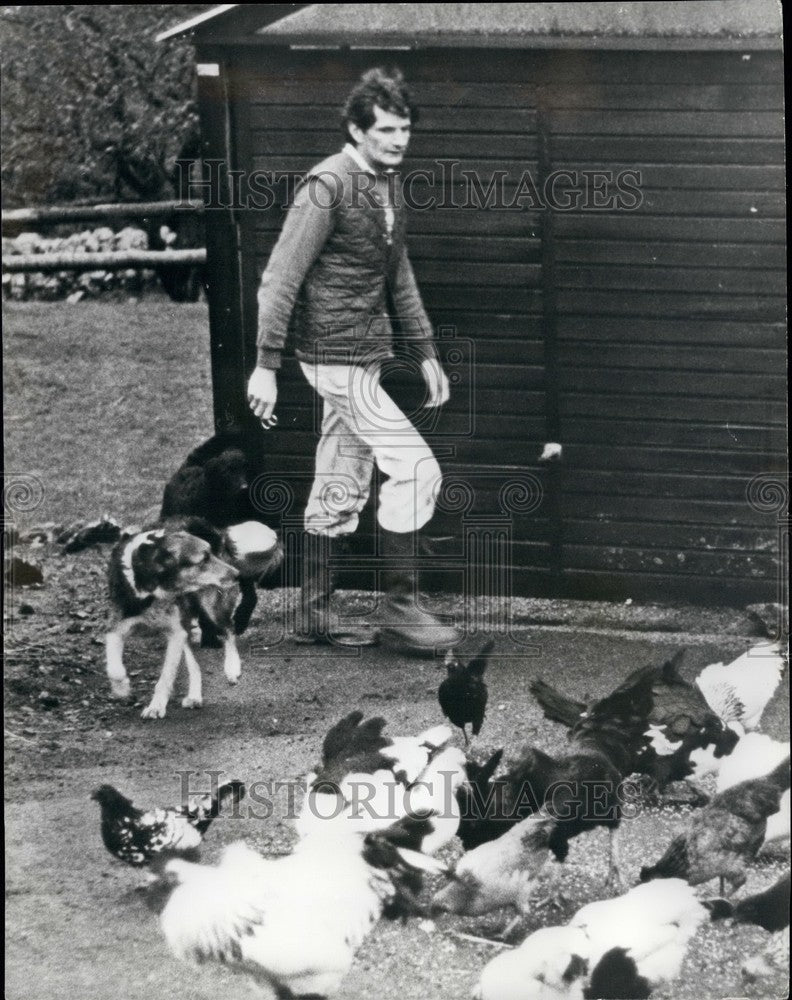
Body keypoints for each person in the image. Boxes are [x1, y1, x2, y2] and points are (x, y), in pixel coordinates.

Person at [247, 67, 459, 655]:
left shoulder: (386, 185)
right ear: (357, 130)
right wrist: (266, 364)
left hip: (363, 356)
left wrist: (425, 352)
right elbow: (279, 279)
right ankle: (398, 608)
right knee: (416, 468)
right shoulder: (327, 184)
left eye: (405, 129)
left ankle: (313, 613)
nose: (398, 140)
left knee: (341, 475)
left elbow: (399, 276)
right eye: (386, 129)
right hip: (332, 356)